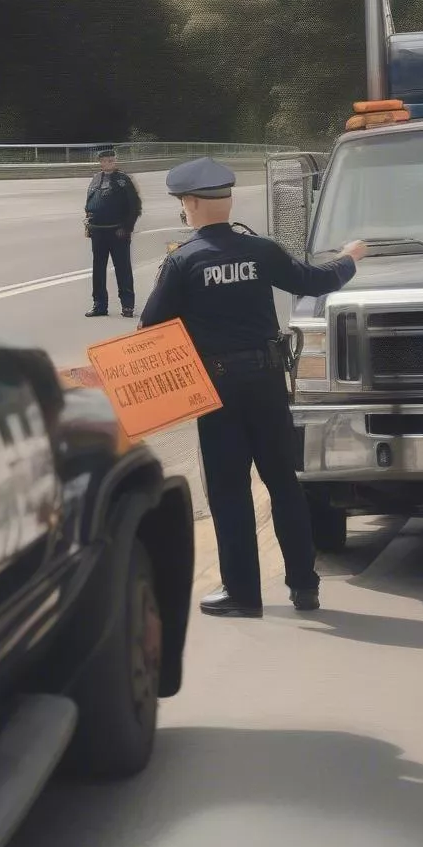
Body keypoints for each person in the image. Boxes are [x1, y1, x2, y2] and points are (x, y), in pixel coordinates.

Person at [139, 157, 367, 617]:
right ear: (226, 203)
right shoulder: (261, 251)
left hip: (217, 388)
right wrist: (349, 258)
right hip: (266, 381)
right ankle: (305, 586)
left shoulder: (182, 262)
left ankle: (243, 595)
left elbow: (151, 326)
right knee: (283, 483)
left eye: (183, 204)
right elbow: (315, 280)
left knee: (229, 491)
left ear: (192, 205)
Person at [84, 147, 141, 317]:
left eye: (110, 160)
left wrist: (127, 228)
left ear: (115, 161)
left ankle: (127, 305)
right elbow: (90, 203)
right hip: (98, 232)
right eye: (104, 160)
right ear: (100, 162)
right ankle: (99, 305)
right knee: (98, 269)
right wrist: (88, 223)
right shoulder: (95, 179)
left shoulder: (123, 180)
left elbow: (135, 207)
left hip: (118, 232)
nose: (107, 163)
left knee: (122, 268)